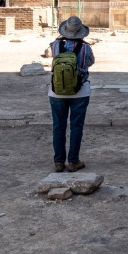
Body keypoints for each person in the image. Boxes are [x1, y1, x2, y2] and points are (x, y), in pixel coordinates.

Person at [48, 16, 95, 173]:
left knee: (58, 126)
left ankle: (59, 162)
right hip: (80, 91)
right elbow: (90, 62)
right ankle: (73, 161)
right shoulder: (86, 48)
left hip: (57, 92)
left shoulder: (55, 45)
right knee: (76, 126)